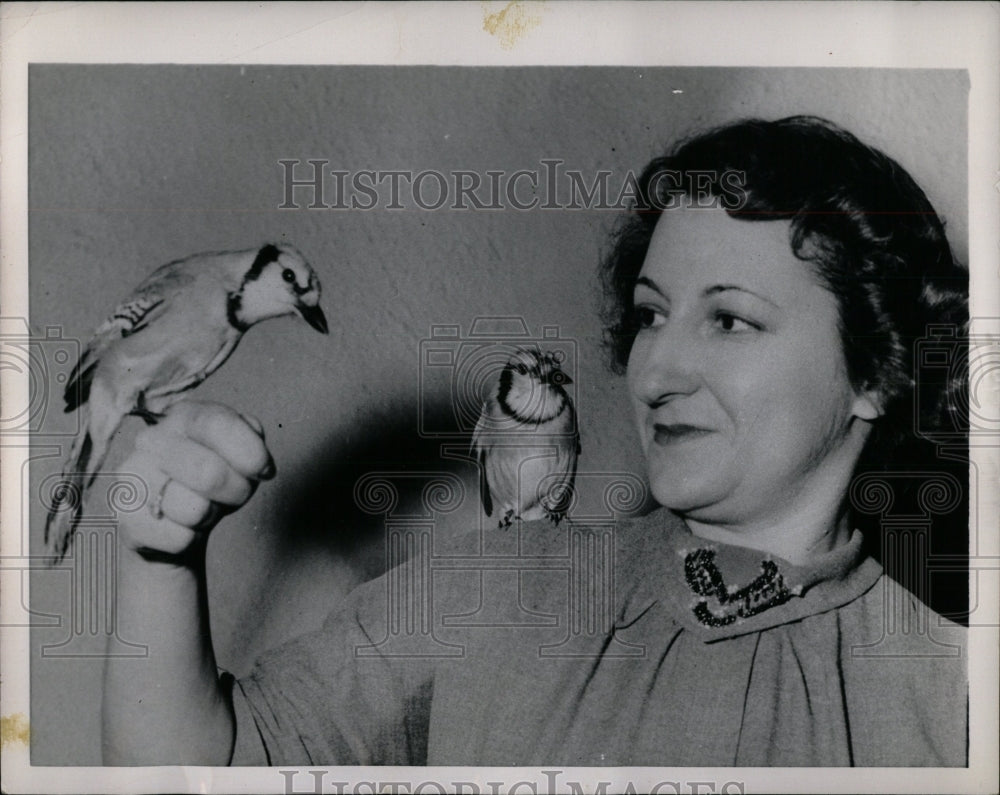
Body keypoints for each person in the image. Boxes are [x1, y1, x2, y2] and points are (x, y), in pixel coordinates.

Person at [102, 116, 968, 767]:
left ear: (879, 372)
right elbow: (194, 770)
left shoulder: (954, 693)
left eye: (730, 320)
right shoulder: (488, 586)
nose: (653, 368)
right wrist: (156, 557)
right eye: (650, 315)